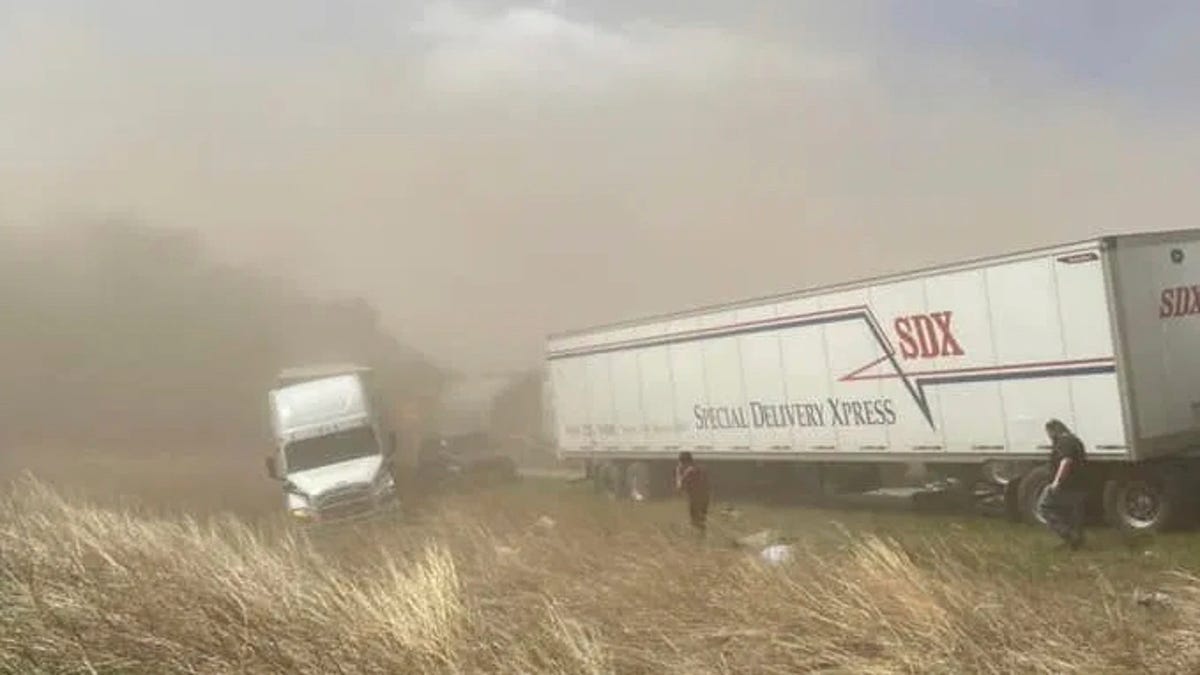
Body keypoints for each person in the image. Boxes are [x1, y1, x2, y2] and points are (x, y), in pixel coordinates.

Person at [1038, 419, 1088, 549]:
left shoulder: (1063, 442)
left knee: (1044, 507)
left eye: (1049, 434)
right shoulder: (1075, 440)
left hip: (1067, 485)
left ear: (1054, 431)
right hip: (1079, 484)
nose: (1049, 437)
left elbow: (1066, 461)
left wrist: (1057, 482)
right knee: (1071, 514)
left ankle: (1069, 535)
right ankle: (1075, 542)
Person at [676, 452, 710, 538]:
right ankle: (701, 534)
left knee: (695, 518)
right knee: (701, 517)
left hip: (695, 497)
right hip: (704, 496)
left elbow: (680, 486)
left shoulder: (686, 471)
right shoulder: (699, 468)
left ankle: (700, 535)